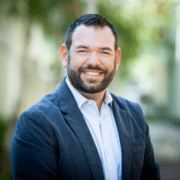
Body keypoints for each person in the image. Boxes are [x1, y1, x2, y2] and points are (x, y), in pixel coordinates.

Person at [10, 14, 160, 180]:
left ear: (117, 59)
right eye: (83, 50)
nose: (94, 61)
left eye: (104, 52)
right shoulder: (36, 123)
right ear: (65, 55)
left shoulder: (134, 115)